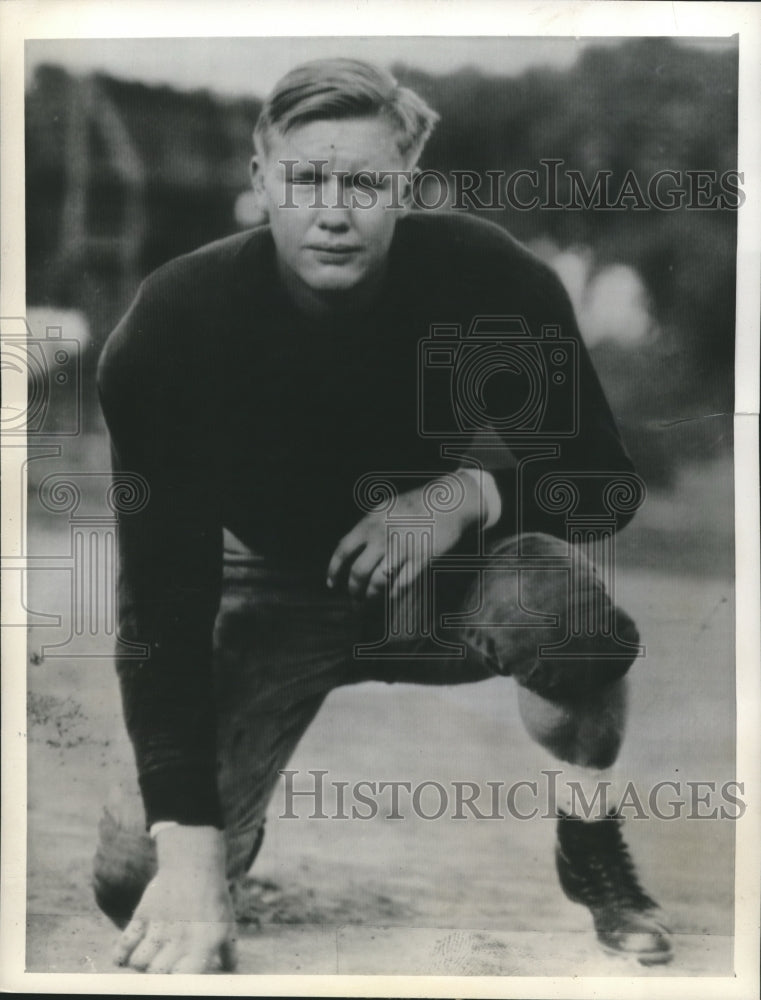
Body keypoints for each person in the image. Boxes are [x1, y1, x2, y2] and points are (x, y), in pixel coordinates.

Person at [94, 57, 673, 974]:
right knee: (137, 876)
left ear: (407, 187)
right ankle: (231, 847)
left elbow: (602, 482)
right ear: (260, 184)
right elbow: (159, 602)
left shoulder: (484, 278)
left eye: (365, 181)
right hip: (265, 582)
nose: (334, 208)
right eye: (307, 178)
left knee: (576, 622)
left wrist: (459, 496)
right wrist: (193, 849)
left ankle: (588, 833)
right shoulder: (177, 323)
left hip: (439, 571)